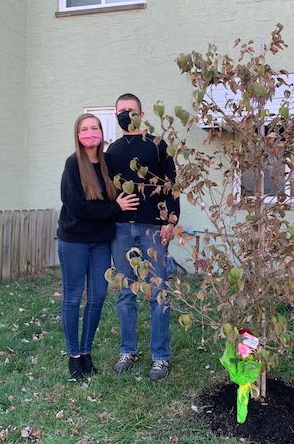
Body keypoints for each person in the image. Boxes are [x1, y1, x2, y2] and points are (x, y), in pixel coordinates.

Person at [57, 113, 139, 380]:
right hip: (74, 241)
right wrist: (114, 208)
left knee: (97, 298)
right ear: (78, 134)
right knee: (72, 299)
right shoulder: (73, 164)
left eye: (94, 128)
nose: (90, 132)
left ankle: (87, 352)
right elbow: (77, 206)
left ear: (102, 133)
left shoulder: (107, 165)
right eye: (85, 129)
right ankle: (74, 356)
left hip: (101, 242)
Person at [106, 93, 180, 381]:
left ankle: (160, 356)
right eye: (121, 111)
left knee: (158, 293)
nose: (126, 114)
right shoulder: (112, 151)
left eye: (130, 110)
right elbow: (108, 191)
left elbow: (172, 185)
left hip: (153, 228)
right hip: (122, 230)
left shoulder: (157, 145)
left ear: (142, 113)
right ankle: (128, 350)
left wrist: (171, 220)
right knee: (126, 293)